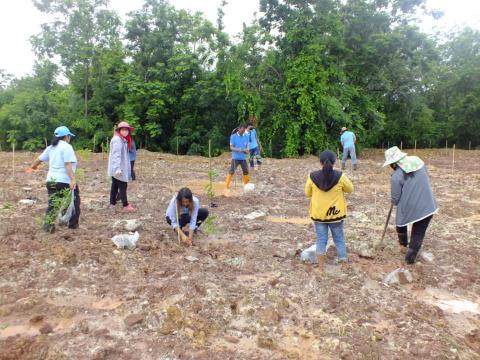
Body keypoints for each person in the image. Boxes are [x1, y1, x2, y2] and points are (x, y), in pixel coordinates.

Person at [383, 146, 437, 264]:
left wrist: (394, 200)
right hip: (429, 204)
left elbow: (396, 199)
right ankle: (409, 254)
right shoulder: (418, 161)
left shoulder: (396, 176)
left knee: (400, 222)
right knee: (418, 231)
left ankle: (405, 249)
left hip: (412, 206)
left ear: (393, 163)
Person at [305, 150, 354, 273]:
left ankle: (320, 268)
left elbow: (307, 193)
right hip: (336, 215)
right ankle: (344, 265)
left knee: (321, 240)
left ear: (320, 162)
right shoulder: (340, 176)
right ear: (334, 162)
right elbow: (350, 189)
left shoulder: (312, 176)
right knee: (339, 239)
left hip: (319, 216)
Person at [26, 126, 80, 233]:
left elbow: (39, 159)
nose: (69, 138)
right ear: (66, 136)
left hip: (51, 180)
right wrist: (72, 179)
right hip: (64, 180)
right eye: (69, 136)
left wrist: (32, 168)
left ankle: (48, 227)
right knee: (74, 201)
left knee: (53, 204)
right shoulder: (67, 147)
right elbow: (67, 164)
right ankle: (72, 224)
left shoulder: (51, 147)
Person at [108, 121, 136, 211]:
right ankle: (125, 205)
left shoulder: (121, 139)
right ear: (119, 130)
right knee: (123, 186)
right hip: (119, 169)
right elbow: (116, 155)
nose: (125, 131)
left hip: (118, 168)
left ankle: (112, 203)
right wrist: (117, 168)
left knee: (115, 185)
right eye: (123, 130)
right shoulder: (117, 140)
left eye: (127, 130)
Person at [225, 124, 250, 189]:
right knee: (232, 171)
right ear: (238, 129)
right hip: (235, 157)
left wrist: (247, 151)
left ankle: (246, 186)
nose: (243, 132)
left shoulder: (246, 136)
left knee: (246, 171)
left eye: (244, 131)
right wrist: (241, 149)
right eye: (242, 130)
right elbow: (231, 148)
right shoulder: (233, 136)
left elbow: (247, 147)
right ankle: (226, 186)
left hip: (243, 158)